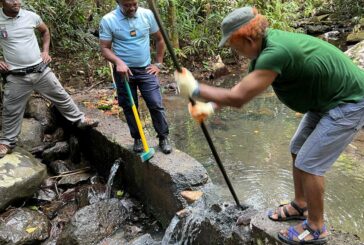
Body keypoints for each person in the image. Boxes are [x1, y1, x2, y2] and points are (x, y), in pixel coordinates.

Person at [174, 6, 364, 245]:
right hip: (325, 102)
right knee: (297, 147)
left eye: (235, 46)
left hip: (350, 103)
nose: (236, 52)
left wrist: (195, 89)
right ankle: (300, 204)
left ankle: (316, 227)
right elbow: (243, 90)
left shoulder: (276, 52)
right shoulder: (263, 54)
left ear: (249, 38)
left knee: (310, 163)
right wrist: (209, 107)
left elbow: (238, 98)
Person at [0, 0, 99, 158]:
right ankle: (6, 142)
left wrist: (45, 51)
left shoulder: (31, 16)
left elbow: (45, 31)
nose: (15, 1)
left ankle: (80, 119)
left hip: (40, 70)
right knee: (10, 109)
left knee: (61, 95)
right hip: (16, 75)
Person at [99, 0, 172, 154]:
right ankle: (137, 138)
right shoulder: (108, 20)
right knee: (129, 105)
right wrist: (118, 62)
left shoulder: (147, 15)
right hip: (123, 72)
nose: (132, 8)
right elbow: (105, 48)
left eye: (134, 4)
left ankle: (163, 137)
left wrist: (158, 63)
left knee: (155, 103)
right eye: (127, 5)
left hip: (146, 70)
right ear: (118, 2)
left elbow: (160, 39)